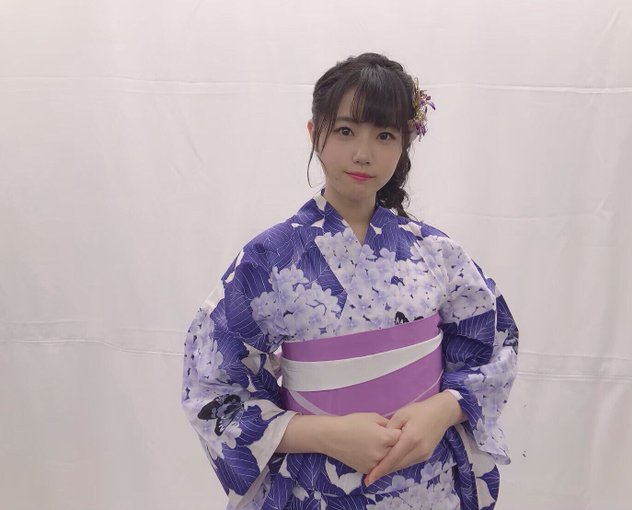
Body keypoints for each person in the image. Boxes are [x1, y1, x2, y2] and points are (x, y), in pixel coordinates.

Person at [182, 52, 519, 510]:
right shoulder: (270, 258)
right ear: (314, 132)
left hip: (427, 480)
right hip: (316, 483)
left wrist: (442, 410)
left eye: (384, 135)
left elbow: (496, 341)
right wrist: (326, 433)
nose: (364, 153)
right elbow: (210, 384)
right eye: (345, 131)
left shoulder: (437, 252)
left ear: (404, 145)